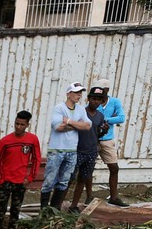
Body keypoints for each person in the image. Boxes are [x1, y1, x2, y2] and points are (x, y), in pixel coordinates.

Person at [0, 110, 41, 229]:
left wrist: (30, 177)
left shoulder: (32, 140)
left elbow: (37, 159)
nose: (18, 127)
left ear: (27, 125)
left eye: (22, 124)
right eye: (16, 123)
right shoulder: (5, 141)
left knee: (15, 209)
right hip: (5, 180)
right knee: (1, 210)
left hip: (21, 181)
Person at [41, 82, 90, 215]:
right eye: (76, 92)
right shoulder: (59, 108)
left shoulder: (80, 109)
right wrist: (77, 125)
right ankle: (44, 211)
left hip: (72, 150)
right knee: (49, 181)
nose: (79, 95)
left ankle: (54, 210)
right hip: (56, 150)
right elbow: (58, 127)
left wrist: (69, 121)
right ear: (68, 93)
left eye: (80, 92)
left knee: (64, 181)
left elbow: (87, 126)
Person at [69, 88, 108, 213]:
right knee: (68, 179)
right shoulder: (80, 112)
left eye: (99, 100)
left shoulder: (100, 116)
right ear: (88, 99)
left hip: (91, 152)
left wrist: (104, 131)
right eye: (93, 99)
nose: (96, 102)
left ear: (101, 102)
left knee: (83, 179)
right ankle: (57, 205)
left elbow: (97, 134)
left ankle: (73, 206)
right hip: (77, 150)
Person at [92, 78, 127, 206]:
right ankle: (89, 196)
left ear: (107, 91)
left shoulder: (114, 102)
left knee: (114, 167)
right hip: (94, 139)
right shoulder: (94, 102)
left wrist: (103, 119)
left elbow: (121, 118)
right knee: (88, 168)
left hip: (107, 139)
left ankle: (113, 197)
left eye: (102, 91)